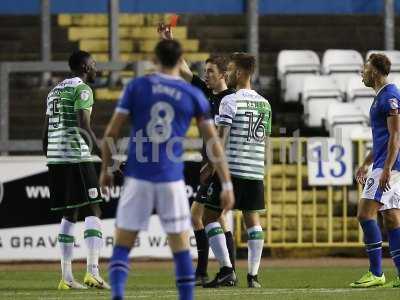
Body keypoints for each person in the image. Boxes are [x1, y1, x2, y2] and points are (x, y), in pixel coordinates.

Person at [100, 39, 234, 300]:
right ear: (180, 58)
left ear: (154, 59)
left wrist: (106, 169)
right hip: (171, 179)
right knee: (180, 248)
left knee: (122, 244)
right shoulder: (193, 95)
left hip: (138, 177)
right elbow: (215, 143)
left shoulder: (137, 87)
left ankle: (117, 294)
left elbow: (112, 132)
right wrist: (227, 183)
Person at [158, 23, 236, 286]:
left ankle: (207, 270)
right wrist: (169, 40)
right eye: (206, 72)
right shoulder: (206, 91)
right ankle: (225, 271)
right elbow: (183, 70)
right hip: (209, 162)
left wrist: (215, 165)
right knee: (218, 218)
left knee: (198, 215)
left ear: (224, 73)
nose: (207, 76)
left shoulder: (230, 99)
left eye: (211, 72)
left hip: (217, 163)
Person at [202, 53, 271, 288]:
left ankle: (227, 269)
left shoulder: (230, 100)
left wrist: (211, 165)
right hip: (254, 171)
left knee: (209, 217)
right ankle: (254, 277)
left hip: (231, 170)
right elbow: (266, 141)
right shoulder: (265, 103)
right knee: (252, 220)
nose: (228, 74)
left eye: (230, 70)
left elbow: (220, 138)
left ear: (240, 73)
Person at [42, 50, 110, 290]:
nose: (95, 69)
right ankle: (93, 272)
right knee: (94, 209)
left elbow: (46, 131)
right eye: (93, 64)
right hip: (75, 157)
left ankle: (66, 277)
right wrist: (106, 158)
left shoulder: (54, 91)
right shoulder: (82, 89)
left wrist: (50, 158)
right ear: (84, 67)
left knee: (69, 214)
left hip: (56, 158)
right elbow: (84, 126)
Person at [351, 53, 400, 288]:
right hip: (385, 163)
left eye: (365, 68)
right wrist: (366, 162)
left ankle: (376, 273)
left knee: (365, 214)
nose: (362, 73)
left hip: (391, 166)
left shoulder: (390, 96)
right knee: (391, 217)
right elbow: (382, 139)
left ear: (376, 72)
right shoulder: (380, 97)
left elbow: (395, 135)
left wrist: (387, 169)